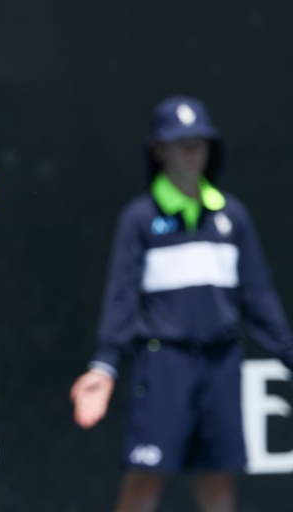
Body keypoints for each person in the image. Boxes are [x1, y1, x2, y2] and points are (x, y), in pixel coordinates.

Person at [70, 95, 293, 512]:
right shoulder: (140, 219)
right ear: (159, 150)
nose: (192, 151)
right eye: (181, 142)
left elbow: (259, 297)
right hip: (163, 366)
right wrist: (104, 365)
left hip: (222, 364)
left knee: (218, 481)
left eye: (199, 142)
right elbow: (121, 300)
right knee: (143, 479)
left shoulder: (233, 217)